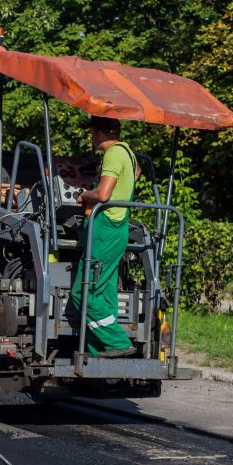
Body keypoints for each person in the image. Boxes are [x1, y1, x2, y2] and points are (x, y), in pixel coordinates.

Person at [69, 115, 139, 358]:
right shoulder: (128, 153)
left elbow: (103, 194)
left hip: (105, 227)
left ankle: (117, 342)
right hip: (119, 227)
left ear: (99, 133)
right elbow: (136, 173)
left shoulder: (112, 154)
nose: (91, 137)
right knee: (104, 290)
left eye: (92, 132)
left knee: (82, 292)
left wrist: (83, 196)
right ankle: (101, 347)